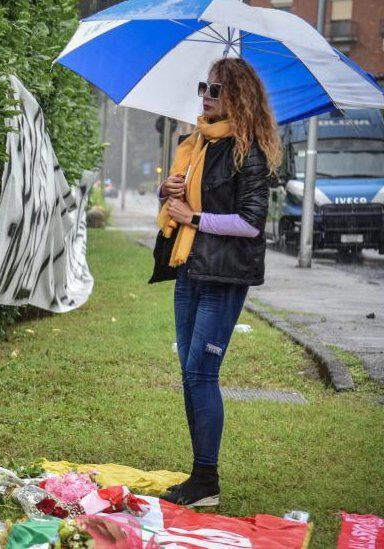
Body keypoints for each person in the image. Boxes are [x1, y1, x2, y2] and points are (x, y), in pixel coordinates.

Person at [149, 57, 282, 507]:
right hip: (190, 269)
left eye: (216, 89)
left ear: (238, 97)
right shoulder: (197, 146)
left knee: (201, 372)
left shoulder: (251, 151)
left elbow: (250, 223)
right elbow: (182, 207)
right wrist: (170, 192)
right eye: (204, 86)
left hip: (224, 275)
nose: (205, 95)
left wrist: (195, 216)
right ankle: (199, 475)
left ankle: (206, 479)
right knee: (190, 373)